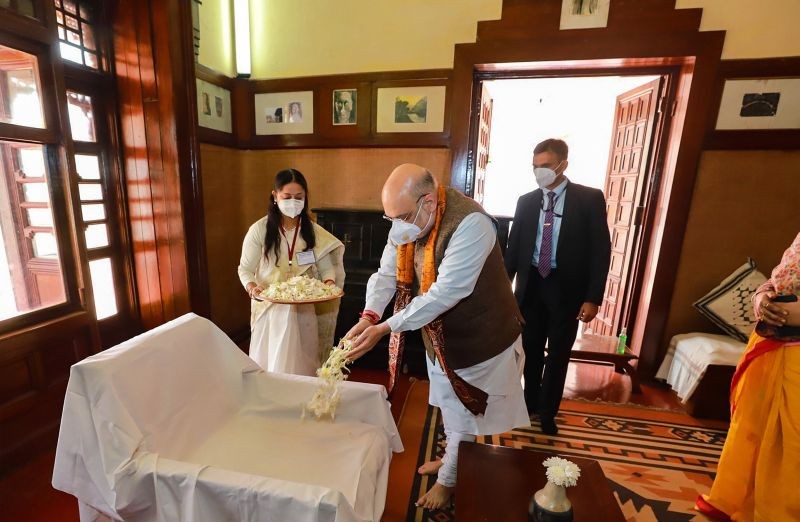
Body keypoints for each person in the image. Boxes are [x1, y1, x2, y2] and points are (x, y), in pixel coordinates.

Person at [345, 164, 529, 510]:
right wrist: (369, 315)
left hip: (480, 337)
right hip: (439, 338)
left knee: (466, 414)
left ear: (428, 202)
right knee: (449, 406)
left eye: (401, 216)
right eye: (390, 219)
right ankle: (451, 462)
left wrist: (383, 329)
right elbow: (386, 274)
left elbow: (445, 294)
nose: (396, 225)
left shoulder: (471, 223)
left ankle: (448, 481)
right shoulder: (407, 222)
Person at [504, 138, 611, 435]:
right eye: (535, 167)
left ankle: (549, 413)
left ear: (563, 164)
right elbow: (513, 251)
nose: (540, 172)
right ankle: (529, 405)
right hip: (531, 287)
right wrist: (503, 293)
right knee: (531, 350)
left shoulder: (589, 199)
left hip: (567, 289)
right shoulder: (526, 201)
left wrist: (593, 298)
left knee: (559, 354)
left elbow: (600, 250)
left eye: (546, 166)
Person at [696, 232, 800, 521]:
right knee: (757, 428)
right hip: (772, 347)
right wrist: (761, 299)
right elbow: (779, 279)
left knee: (792, 441)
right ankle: (749, 504)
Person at [238, 169, 344, 375]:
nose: (293, 202)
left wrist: (329, 284)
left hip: (303, 310)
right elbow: (245, 269)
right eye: (287, 197)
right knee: (270, 362)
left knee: (304, 362)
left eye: (299, 197)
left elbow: (326, 267)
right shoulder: (259, 229)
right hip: (270, 308)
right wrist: (252, 288)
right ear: (275, 196)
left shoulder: (312, 231)